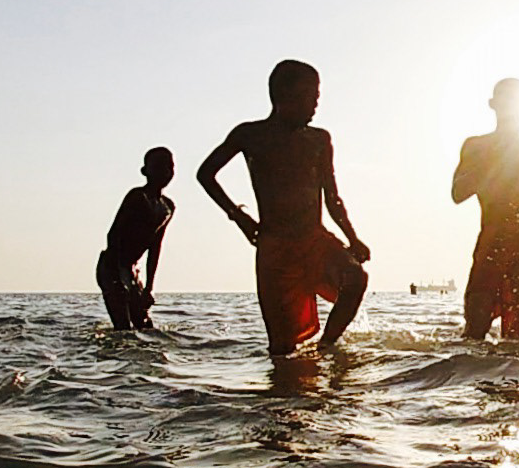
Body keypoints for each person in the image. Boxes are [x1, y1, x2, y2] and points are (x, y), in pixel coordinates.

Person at [197, 60, 370, 355]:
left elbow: (332, 198)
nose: (316, 105)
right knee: (282, 349)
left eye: (318, 97)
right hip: (275, 249)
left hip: (314, 239)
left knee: (356, 278)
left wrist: (352, 238)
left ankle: (326, 347)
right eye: (309, 97)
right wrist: (239, 217)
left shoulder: (318, 140)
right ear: (283, 96)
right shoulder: (250, 135)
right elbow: (205, 174)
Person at [452, 78, 519, 339]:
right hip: (490, 245)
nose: (513, 110)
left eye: (517, 104)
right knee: (475, 330)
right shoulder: (476, 146)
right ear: (494, 105)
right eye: (506, 102)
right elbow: (457, 194)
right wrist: (491, 167)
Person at [96, 146, 175, 331]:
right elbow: (113, 235)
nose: (165, 172)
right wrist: (120, 278)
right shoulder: (137, 197)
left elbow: (156, 247)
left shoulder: (168, 207)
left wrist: (149, 288)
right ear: (145, 171)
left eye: (169, 167)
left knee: (145, 326)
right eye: (158, 167)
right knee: (123, 328)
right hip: (111, 267)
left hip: (132, 270)